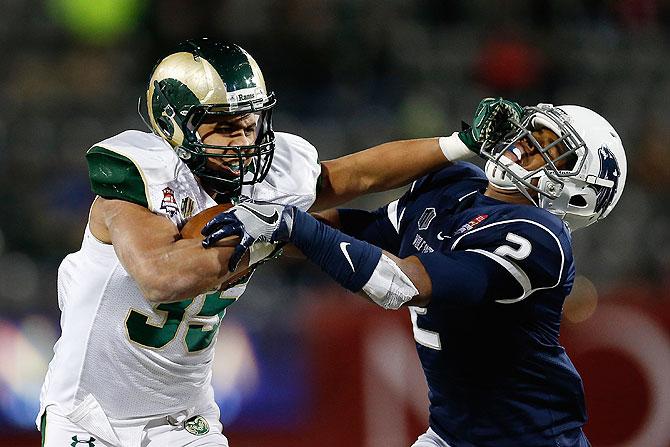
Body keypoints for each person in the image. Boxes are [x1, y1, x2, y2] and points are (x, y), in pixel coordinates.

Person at [36, 37, 512, 447]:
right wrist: (266, 224)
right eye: (224, 125)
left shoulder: (268, 181)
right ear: (175, 125)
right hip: (91, 416)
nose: (243, 140)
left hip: (183, 417)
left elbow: (355, 174)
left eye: (250, 122)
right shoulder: (136, 182)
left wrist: (459, 143)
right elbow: (162, 279)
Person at [204, 101, 627, 447]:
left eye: (551, 150)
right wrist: (261, 222)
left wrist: (292, 224)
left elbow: (399, 284)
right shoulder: (455, 183)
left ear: (579, 192)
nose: (526, 146)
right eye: (535, 133)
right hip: (450, 435)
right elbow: (362, 234)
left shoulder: (541, 237)